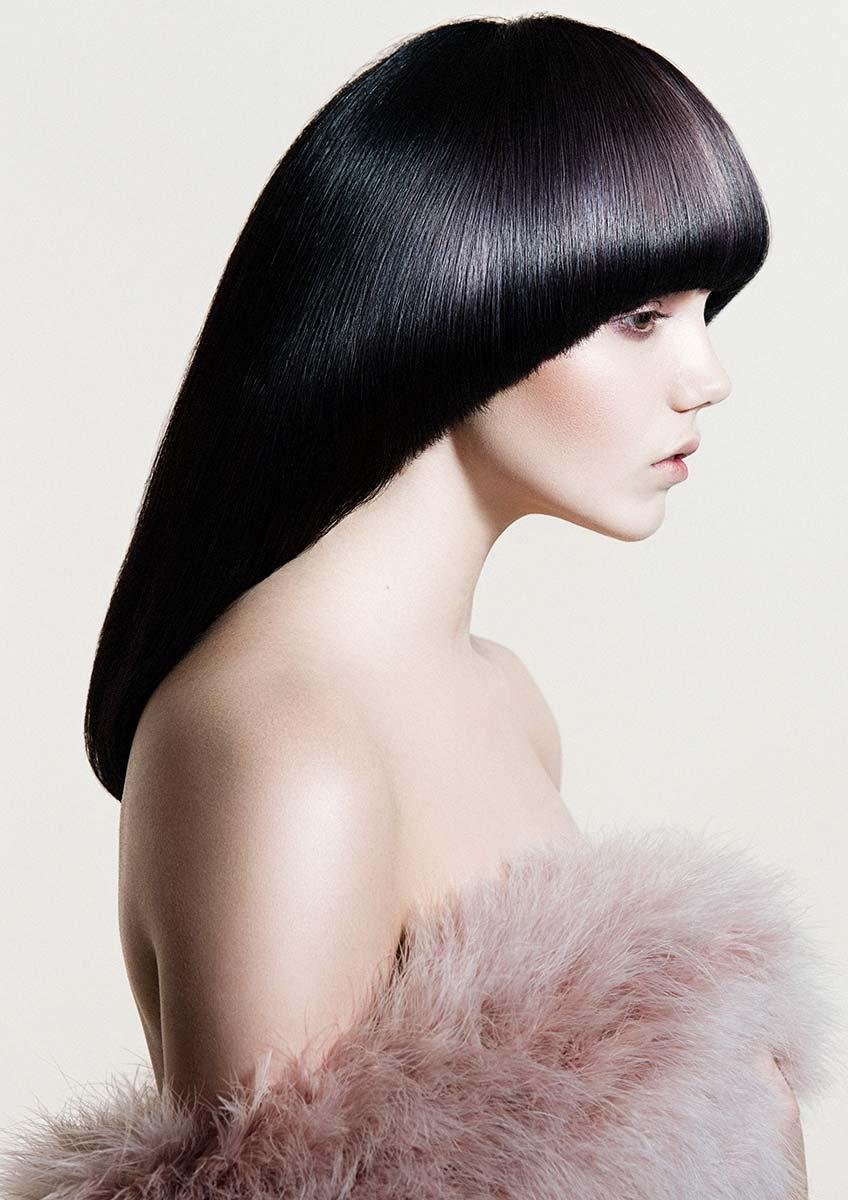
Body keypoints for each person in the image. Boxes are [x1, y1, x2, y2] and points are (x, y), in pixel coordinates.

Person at [0, 14, 832, 1198]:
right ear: (457, 301)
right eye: (638, 318)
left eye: (706, 313)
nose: (704, 377)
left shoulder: (497, 694)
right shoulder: (280, 742)